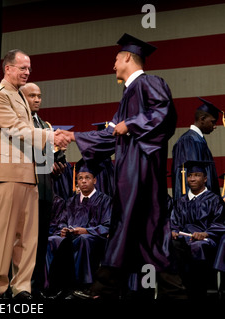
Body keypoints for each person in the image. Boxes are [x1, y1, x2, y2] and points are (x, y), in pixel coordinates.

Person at [58, 33, 184, 299]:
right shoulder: (128, 95)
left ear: (128, 56)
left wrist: (133, 123)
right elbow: (111, 134)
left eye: (116, 59)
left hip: (144, 171)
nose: (113, 65)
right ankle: (113, 290)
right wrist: (75, 137)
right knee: (137, 230)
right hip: (129, 174)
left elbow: (165, 115)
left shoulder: (150, 82)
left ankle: (104, 289)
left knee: (137, 226)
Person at [0, 49, 70, 300]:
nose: (27, 72)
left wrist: (53, 144)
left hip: (29, 175)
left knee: (27, 238)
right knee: (2, 235)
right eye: (22, 68)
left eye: (29, 68)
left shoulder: (21, 97)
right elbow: (15, 128)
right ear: (7, 68)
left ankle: (22, 287)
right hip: (7, 174)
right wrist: (50, 136)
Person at [47, 160, 111, 299]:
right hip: (72, 236)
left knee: (83, 239)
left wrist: (85, 231)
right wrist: (63, 230)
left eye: (87, 177)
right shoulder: (70, 201)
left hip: (93, 239)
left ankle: (82, 286)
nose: (83, 181)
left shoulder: (105, 200)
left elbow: (107, 225)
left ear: (94, 180)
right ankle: (54, 287)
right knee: (52, 241)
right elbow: (62, 222)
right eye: (80, 178)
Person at [20, 82, 56, 298]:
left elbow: (48, 160)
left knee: (40, 241)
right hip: (23, 189)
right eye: (31, 95)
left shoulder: (46, 125)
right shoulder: (16, 125)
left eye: (39, 96)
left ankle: (35, 285)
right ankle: (18, 286)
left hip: (43, 190)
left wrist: (57, 163)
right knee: (22, 241)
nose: (37, 99)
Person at [170, 160, 225, 298]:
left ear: (205, 178)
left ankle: (198, 293)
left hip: (206, 241)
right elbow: (173, 222)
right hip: (184, 239)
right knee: (170, 244)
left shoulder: (214, 200)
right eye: (189, 175)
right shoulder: (180, 202)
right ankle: (178, 292)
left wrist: (206, 233)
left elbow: (220, 223)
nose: (192, 179)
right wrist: (173, 231)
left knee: (198, 246)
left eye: (197, 175)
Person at [171, 98, 223, 200]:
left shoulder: (198, 140)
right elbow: (191, 177)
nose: (215, 126)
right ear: (202, 119)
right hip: (196, 208)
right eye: (213, 122)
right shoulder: (189, 140)